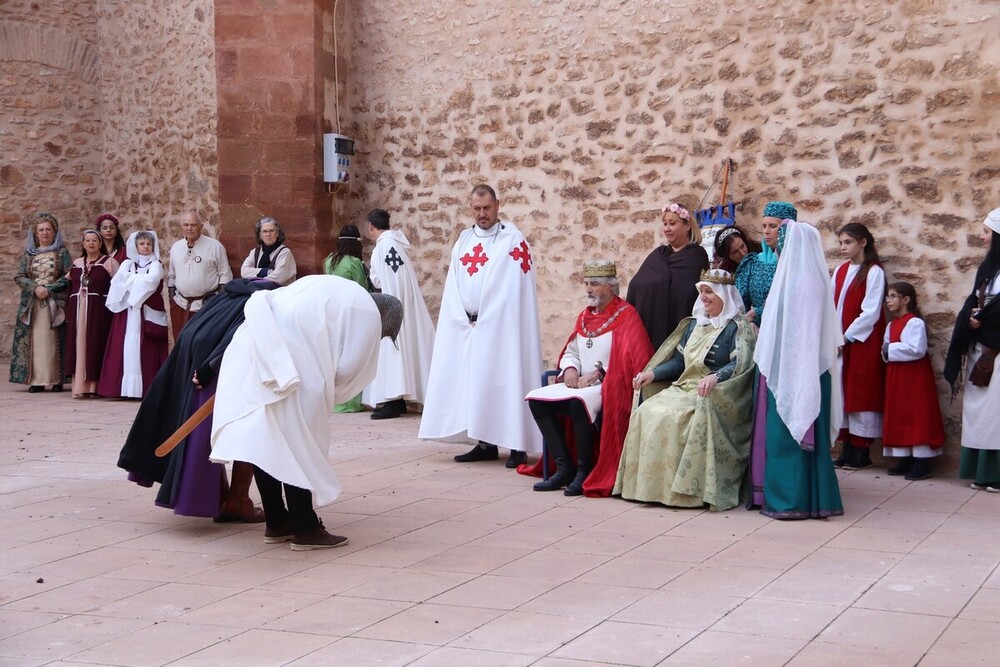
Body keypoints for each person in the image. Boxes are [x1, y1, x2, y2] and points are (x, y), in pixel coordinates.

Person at [210, 277, 403, 549]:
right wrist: (325, 381)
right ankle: (305, 527)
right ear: (384, 319)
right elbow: (349, 368)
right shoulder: (367, 312)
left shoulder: (337, 293)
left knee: (266, 441)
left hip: (251, 347)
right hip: (288, 362)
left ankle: (277, 522)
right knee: (298, 445)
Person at [117, 279, 278, 522]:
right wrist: (209, 368)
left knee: (207, 437)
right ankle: (236, 501)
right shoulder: (261, 303)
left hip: (194, 363)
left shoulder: (226, 298)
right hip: (210, 371)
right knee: (246, 429)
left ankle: (224, 497)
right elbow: (239, 336)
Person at [419, 184, 543, 467]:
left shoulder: (513, 240)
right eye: (476, 209)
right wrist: (461, 317)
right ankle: (485, 442)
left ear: (498, 205)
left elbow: (513, 288)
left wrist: (492, 315)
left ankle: (516, 446)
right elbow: (454, 284)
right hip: (469, 325)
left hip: (503, 327)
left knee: (505, 380)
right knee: (477, 384)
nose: (482, 214)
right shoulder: (464, 240)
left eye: (487, 208)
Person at [614, 269, 756, 510]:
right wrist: (652, 373)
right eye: (702, 291)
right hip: (685, 387)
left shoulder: (737, 328)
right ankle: (649, 488)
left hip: (716, 392)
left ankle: (686, 492)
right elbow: (679, 362)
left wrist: (715, 377)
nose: (704, 297)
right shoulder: (694, 325)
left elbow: (741, 363)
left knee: (674, 417)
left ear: (725, 295)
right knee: (647, 410)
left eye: (710, 292)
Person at [521, 260, 653, 496]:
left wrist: (599, 374)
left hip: (610, 385)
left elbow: (634, 359)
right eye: (586, 284)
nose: (588, 289)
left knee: (576, 404)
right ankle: (563, 468)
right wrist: (570, 368)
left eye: (594, 284)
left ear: (611, 287)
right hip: (579, 383)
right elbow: (572, 350)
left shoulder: (627, 316)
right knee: (537, 400)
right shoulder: (584, 316)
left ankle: (583, 469)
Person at [756, 220, 844, 519]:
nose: (778, 250)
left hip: (802, 369)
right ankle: (800, 498)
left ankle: (793, 501)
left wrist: (797, 371)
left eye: (781, 245)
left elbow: (803, 333)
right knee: (784, 439)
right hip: (790, 366)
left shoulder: (805, 282)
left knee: (791, 439)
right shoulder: (793, 277)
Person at [736, 201, 795, 508]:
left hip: (782, 341)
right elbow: (740, 301)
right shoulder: (752, 264)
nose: (768, 231)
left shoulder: (797, 265)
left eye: (774, 226)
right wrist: (748, 322)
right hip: (754, 338)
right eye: (766, 226)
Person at [362, 208, 436, 419]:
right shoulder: (397, 246)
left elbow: (377, 280)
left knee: (392, 349)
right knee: (402, 348)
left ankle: (393, 400)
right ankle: (399, 400)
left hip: (391, 307)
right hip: (406, 306)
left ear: (370, 226)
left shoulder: (381, 248)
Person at [945, 207, 1000, 493]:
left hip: (997, 353)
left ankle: (996, 474)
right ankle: (980, 471)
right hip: (982, 350)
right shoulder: (988, 270)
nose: (981, 237)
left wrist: (985, 320)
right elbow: (975, 303)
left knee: (995, 416)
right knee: (979, 414)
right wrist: (971, 318)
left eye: (986, 232)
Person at [831, 222, 887, 470]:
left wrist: (847, 336)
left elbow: (871, 311)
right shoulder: (841, 271)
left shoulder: (873, 272)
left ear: (863, 242)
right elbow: (832, 307)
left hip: (861, 342)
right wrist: (833, 334)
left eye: (848, 242)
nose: (843, 247)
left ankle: (861, 449)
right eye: (841, 243)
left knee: (860, 392)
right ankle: (847, 447)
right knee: (843, 392)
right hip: (840, 340)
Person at [881, 282, 945, 480]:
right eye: (887, 297)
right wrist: (887, 351)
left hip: (914, 376)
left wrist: (889, 350)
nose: (888, 300)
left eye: (892, 296)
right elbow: (886, 346)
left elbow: (916, 349)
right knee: (900, 413)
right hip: (897, 375)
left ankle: (922, 460)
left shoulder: (914, 322)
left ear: (906, 299)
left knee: (918, 414)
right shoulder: (892, 324)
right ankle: (905, 457)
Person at [627, 201, 709, 349]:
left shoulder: (696, 256)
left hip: (678, 324)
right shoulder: (659, 255)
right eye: (665, 224)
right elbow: (636, 285)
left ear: (687, 226)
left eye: (672, 223)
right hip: (653, 321)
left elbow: (688, 292)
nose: (667, 229)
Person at [99, 231, 169, 399]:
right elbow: (117, 282)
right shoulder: (128, 264)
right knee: (125, 346)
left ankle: (144, 388)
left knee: (144, 347)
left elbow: (151, 282)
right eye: (142, 244)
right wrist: (135, 280)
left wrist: (130, 280)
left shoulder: (156, 265)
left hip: (145, 311)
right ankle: (124, 389)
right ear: (136, 246)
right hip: (128, 312)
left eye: (148, 244)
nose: (145, 247)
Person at [10, 213, 73, 393]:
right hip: (33, 304)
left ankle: (57, 379)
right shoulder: (29, 255)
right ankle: (36, 380)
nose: (45, 233)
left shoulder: (62, 253)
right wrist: (36, 288)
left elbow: (69, 275)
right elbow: (20, 276)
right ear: (36, 234)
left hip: (55, 303)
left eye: (48, 230)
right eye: (41, 230)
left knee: (54, 340)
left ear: (54, 232)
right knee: (37, 340)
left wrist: (50, 288)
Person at [323, 224, 372, 412]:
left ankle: (334, 400)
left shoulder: (329, 261)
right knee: (351, 356)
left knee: (335, 357)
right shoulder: (354, 263)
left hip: (332, 314)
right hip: (351, 316)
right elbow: (362, 289)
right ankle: (350, 402)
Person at [64, 229, 119, 398]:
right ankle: (79, 387)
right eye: (87, 240)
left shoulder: (109, 263)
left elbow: (118, 287)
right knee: (78, 346)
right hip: (78, 312)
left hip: (99, 313)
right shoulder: (77, 263)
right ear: (83, 244)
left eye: (94, 240)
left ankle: (95, 387)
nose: (90, 243)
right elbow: (69, 287)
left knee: (96, 344)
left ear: (100, 243)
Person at [167, 210, 233, 340]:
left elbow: (225, 275)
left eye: (193, 225)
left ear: (201, 226)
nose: (189, 228)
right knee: (181, 344)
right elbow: (171, 276)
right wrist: (172, 301)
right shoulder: (176, 247)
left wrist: (217, 304)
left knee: (203, 344)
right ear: (181, 227)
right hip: (180, 306)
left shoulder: (215, 247)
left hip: (206, 306)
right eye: (186, 225)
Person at [239, 216, 297, 286]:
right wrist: (266, 272)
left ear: (277, 233)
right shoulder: (255, 252)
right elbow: (244, 271)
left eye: (271, 231)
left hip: (280, 293)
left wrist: (255, 280)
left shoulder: (284, 252)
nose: (268, 234)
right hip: (258, 291)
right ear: (260, 235)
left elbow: (278, 277)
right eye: (265, 231)